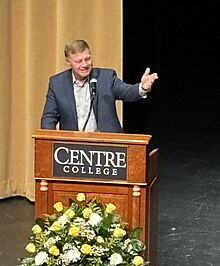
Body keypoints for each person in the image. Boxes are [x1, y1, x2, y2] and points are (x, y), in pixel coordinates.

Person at [41, 39, 158, 133]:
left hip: (107, 148)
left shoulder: (106, 78)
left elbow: (127, 92)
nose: (85, 65)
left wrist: (142, 87)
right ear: (68, 61)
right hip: (72, 151)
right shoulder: (57, 84)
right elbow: (49, 117)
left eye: (87, 59)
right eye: (78, 61)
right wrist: (51, 143)